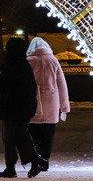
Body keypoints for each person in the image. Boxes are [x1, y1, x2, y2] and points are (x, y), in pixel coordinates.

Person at [0, 36, 48, 178]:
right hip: (25, 108)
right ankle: (34, 160)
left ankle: (11, 167)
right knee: (21, 135)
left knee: (9, 137)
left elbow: (2, 87)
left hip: (11, 108)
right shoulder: (24, 66)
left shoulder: (10, 66)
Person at [26, 36, 71, 170]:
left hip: (34, 102)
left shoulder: (29, 61)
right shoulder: (53, 61)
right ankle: (45, 160)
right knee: (48, 136)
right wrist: (64, 108)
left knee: (33, 134)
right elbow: (62, 85)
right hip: (52, 102)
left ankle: (36, 159)